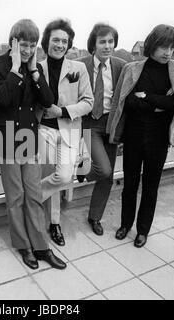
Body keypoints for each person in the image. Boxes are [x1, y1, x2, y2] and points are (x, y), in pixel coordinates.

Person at [0, 19, 66, 270]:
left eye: (32, 45)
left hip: (29, 137)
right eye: (23, 45)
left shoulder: (35, 67)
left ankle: (41, 246)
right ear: (13, 42)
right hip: (6, 137)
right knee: (15, 196)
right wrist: (17, 68)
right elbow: (4, 98)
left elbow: (49, 100)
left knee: (34, 193)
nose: (28, 50)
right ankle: (23, 246)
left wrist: (35, 72)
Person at [109, 24, 174, 248]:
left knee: (151, 186)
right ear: (152, 45)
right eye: (163, 46)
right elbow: (125, 102)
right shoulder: (133, 68)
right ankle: (125, 224)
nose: (168, 52)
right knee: (130, 183)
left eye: (172, 47)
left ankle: (143, 230)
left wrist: (146, 97)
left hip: (159, 137)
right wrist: (155, 103)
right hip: (134, 134)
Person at [38, 19, 93, 246]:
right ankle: (53, 223)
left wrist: (61, 111)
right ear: (46, 42)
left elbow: (89, 102)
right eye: (55, 40)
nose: (60, 44)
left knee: (63, 176)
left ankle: (28, 199)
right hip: (42, 131)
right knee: (48, 173)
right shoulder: (36, 67)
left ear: (69, 44)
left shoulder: (78, 69)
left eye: (64, 41)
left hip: (69, 129)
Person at [78, 23, 126, 236]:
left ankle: (95, 217)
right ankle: (83, 170)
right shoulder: (80, 66)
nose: (107, 46)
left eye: (110, 42)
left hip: (111, 124)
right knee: (104, 169)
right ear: (94, 44)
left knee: (107, 176)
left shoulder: (121, 66)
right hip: (90, 123)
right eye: (102, 42)